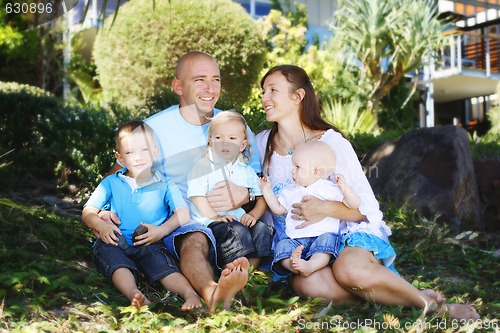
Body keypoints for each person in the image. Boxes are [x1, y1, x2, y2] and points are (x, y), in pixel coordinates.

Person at [256, 64, 479, 320]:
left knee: (350, 272)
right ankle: (401, 297)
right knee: (309, 285)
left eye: (273, 90)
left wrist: (326, 208)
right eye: (263, 91)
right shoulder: (261, 143)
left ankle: (435, 308)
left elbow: (367, 209)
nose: (264, 98)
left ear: (298, 96)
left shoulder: (331, 142)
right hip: (300, 243)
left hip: (342, 232)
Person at [96, 52, 263, 312]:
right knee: (193, 239)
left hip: (229, 219)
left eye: (215, 80)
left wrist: (246, 194)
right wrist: (104, 211)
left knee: (256, 235)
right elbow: (117, 175)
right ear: (178, 87)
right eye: (200, 80)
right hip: (182, 219)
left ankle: (240, 283)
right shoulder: (154, 128)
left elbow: (258, 179)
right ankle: (212, 293)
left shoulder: (233, 124)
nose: (210, 88)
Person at [82, 120, 201, 311]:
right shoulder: (111, 183)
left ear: (154, 153)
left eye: (144, 150)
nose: (138, 157)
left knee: (164, 266)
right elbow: (88, 211)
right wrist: (101, 225)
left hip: (149, 241)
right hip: (115, 240)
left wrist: (162, 230)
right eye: (130, 152)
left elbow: (183, 213)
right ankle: (134, 294)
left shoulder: (165, 183)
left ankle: (190, 294)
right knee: (117, 264)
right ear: (120, 158)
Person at [260, 140, 360, 278]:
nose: (292, 171)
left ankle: (311, 265)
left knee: (326, 245)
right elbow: (278, 209)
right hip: (295, 239)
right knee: (282, 245)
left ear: (316, 171)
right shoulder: (290, 190)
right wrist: (267, 191)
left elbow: (354, 204)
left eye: (297, 167)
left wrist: (345, 189)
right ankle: (291, 264)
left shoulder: (328, 189)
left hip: (321, 235)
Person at [187, 110, 272, 269]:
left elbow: (261, 198)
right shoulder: (203, 166)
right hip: (210, 222)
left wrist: (253, 215)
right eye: (219, 138)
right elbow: (197, 197)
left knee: (261, 229)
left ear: (242, 145)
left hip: (238, 220)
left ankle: (249, 275)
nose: (225, 143)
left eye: (232, 138)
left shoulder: (246, 170)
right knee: (237, 232)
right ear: (211, 142)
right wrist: (215, 216)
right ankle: (230, 272)